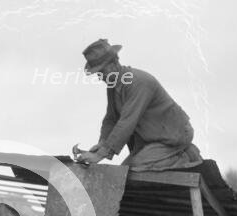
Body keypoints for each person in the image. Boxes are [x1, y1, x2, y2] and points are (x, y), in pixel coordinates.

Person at [73, 39, 203, 171]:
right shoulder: (113, 84)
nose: (100, 77)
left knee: (134, 168)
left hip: (173, 136)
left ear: (112, 64)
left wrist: (100, 155)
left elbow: (127, 121)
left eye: (101, 71)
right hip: (151, 140)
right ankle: (171, 155)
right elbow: (111, 119)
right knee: (124, 171)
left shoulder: (138, 82)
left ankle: (186, 155)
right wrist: (101, 144)